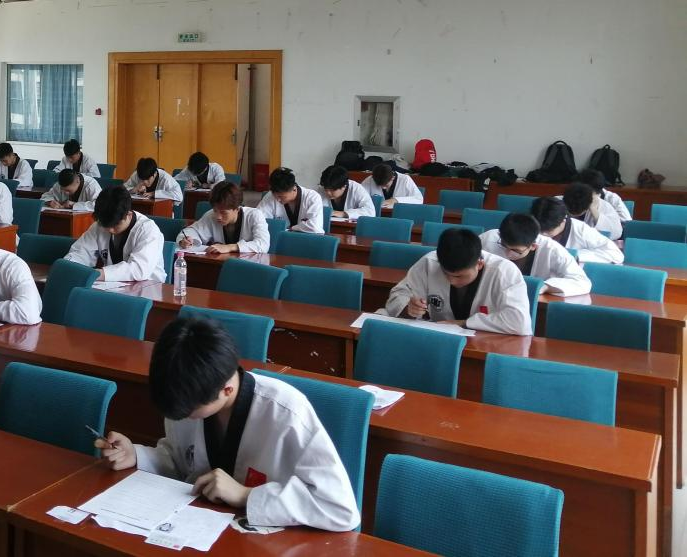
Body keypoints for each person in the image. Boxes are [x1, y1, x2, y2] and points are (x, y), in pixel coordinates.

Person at [97, 317, 361, 531]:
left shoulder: (286, 413)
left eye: (191, 411)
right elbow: (181, 461)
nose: (185, 417)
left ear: (226, 389)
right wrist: (137, 455)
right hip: (198, 528)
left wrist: (246, 495)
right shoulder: (185, 393)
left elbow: (341, 509)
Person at [382, 228, 531, 335]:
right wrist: (409, 308)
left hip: (487, 342)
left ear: (479, 264)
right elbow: (398, 294)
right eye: (446, 274)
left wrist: (465, 323)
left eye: (459, 276)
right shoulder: (430, 262)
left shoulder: (504, 272)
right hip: (437, 337)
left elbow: (519, 322)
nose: (452, 281)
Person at [65, 186, 165, 282]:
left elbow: (138, 269)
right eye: (106, 225)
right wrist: (69, 267)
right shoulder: (99, 225)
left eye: (115, 225)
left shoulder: (148, 230)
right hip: (113, 285)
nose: (110, 230)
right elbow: (81, 252)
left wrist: (98, 274)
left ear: (128, 215)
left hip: (148, 285)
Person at [480, 213, 591, 297]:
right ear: (499, 234)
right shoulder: (488, 238)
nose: (508, 254)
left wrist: (546, 286)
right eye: (503, 245)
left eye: (516, 250)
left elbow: (582, 281)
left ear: (533, 246)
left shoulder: (552, 250)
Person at [178, 181, 269, 254]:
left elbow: (263, 244)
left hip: (248, 265)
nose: (218, 217)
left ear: (237, 209)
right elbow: (191, 231)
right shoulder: (211, 215)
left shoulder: (254, 215)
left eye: (223, 212)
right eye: (215, 210)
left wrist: (230, 247)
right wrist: (186, 240)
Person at [530, 196, 624, 264]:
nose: (542, 235)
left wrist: (575, 255)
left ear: (563, 220)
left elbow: (616, 254)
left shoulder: (581, 230)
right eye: (540, 231)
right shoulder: (531, 225)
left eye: (548, 231)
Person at [256, 168, 323, 233]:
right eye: (275, 196)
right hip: (280, 237)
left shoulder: (312, 197)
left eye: (281, 196)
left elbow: (315, 226)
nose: (278, 199)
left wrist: (292, 228)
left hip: (306, 238)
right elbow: (258, 218)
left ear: (294, 189)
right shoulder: (270, 196)